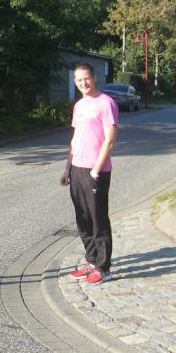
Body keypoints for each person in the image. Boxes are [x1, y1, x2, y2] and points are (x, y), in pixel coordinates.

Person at [60, 63, 118, 285]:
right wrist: (67, 168)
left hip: (96, 170)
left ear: (94, 77)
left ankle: (103, 268)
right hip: (77, 168)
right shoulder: (79, 106)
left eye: (86, 78)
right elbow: (75, 139)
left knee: (98, 218)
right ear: (75, 82)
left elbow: (109, 140)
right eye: (78, 80)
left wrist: (96, 169)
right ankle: (91, 261)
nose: (83, 83)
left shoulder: (106, 102)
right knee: (82, 218)